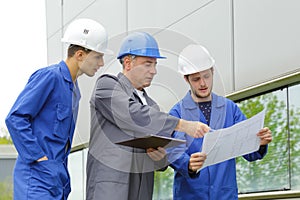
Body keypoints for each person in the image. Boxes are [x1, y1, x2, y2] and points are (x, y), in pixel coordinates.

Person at [86, 32, 210, 200]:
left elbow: (160, 163)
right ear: (128, 63)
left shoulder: (151, 105)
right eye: (147, 64)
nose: (154, 71)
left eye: (155, 65)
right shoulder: (107, 86)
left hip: (141, 192)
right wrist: (182, 124)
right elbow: (133, 115)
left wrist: (159, 159)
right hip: (110, 190)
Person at [5, 18, 113, 200]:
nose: (101, 63)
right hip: (36, 177)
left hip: (56, 179)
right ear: (80, 55)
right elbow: (15, 118)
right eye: (97, 56)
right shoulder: (50, 77)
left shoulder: (74, 90)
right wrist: (39, 158)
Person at [167, 44, 273, 200]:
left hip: (225, 194)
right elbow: (170, 150)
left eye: (206, 76)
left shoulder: (230, 109)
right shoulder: (177, 114)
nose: (203, 83)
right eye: (196, 79)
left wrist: (260, 142)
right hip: (191, 195)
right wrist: (187, 163)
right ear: (186, 79)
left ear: (213, 71)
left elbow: (250, 152)